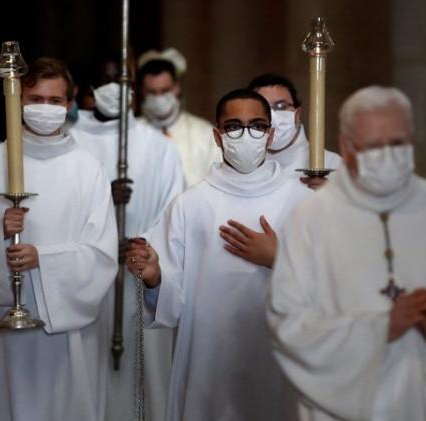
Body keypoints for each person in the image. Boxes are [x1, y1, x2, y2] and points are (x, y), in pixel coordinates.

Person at [267, 86, 426, 421]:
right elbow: (289, 322)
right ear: (346, 148)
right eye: (373, 146)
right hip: (346, 408)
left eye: (397, 144)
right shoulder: (311, 220)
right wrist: (381, 329)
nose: (387, 154)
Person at [0, 58, 118, 421]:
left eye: (55, 101)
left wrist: (44, 258)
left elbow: (102, 255)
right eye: (36, 98)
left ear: (69, 105)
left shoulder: (88, 169)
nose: (45, 108)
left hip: (63, 329)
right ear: (18, 102)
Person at [125, 89, 312, 421]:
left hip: (278, 356)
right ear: (217, 135)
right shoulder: (190, 204)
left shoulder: (301, 201)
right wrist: (154, 276)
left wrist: (278, 257)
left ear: (269, 134)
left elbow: (328, 285)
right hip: (207, 360)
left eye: (256, 126)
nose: (246, 136)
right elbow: (171, 299)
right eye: (234, 127)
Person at [71, 76, 184, 421]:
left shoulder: (158, 146)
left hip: (140, 272)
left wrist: (140, 247)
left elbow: (172, 209)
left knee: (146, 383)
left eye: (120, 78)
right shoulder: (70, 142)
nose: (113, 87)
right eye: (104, 78)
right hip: (84, 280)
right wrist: (104, 242)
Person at [137, 49, 221, 187]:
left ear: (177, 87)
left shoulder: (204, 134)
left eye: (165, 90)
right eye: (152, 92)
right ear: (142, 91)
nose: (159, 98)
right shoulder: (130, 134)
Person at [248, 73, 341, 189]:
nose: (273, 117)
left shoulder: (333, 164)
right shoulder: (239, 166)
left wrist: (334, 196)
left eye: (281, 106)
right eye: (263, 108)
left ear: (297, 115)